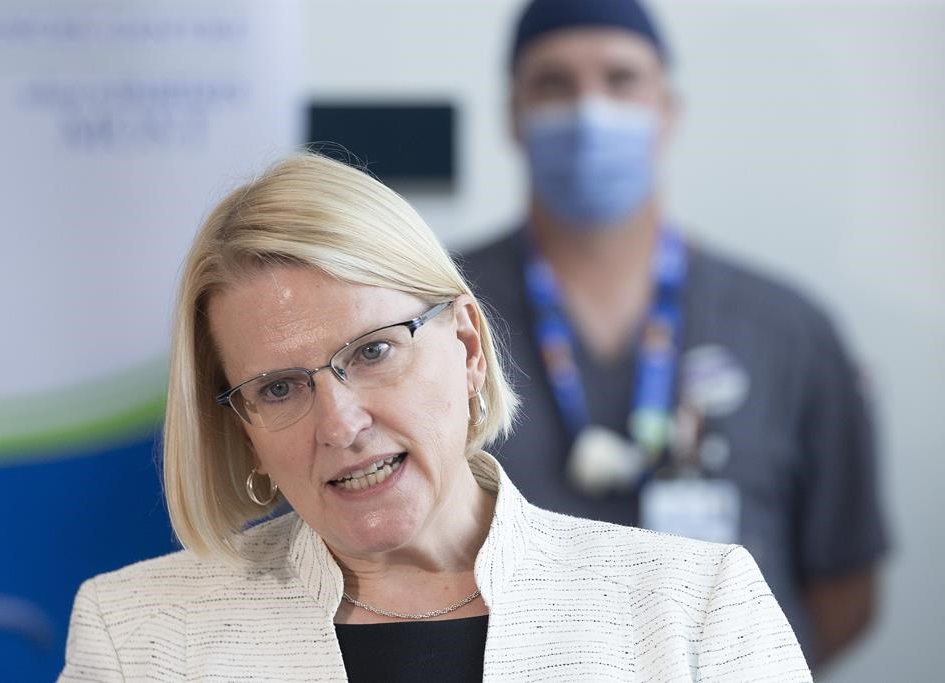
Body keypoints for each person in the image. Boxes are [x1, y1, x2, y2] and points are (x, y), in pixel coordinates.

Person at [58, 152, 811, 681]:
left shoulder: (692, 609)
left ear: (468, 345)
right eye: (280, 388)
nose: (342, 422)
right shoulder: (138, 637)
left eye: (374, 351)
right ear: (243, 429)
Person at [459, 0, 889, 669]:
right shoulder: (433, 320)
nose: (589, 110)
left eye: (621, 79)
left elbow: (844, 589)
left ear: (669, 109)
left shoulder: (788, 330)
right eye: (553, 83)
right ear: (511, 114)